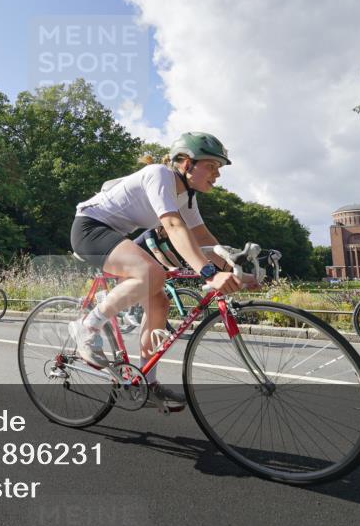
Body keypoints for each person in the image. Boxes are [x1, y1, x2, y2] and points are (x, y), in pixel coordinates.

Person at [70, 132, 244, 410]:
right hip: (90, 228)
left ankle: (145, 383)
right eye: (212, 166)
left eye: (219, 168)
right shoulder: (159, 175)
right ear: (186, 162)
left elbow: (203, 238)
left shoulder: (187, 197)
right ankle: (88, 326)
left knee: (159, 301)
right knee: (152, 273)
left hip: (117, 236)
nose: (217, 174)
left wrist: (237, 271)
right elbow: (174, 226)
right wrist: (210, 273)